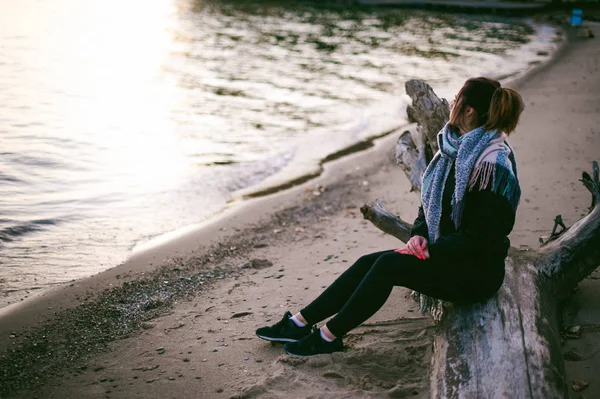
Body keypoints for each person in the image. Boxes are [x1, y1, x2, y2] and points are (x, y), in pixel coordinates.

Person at [255, 77, 523, 357]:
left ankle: (328, 336)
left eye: (457, 99)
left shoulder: (492, 164)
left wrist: (429, 250)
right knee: (367, 262)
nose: (452, 102)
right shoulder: (453, 148)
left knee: (387, 266)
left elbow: (481, 238)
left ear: (469, 111)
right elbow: (428, 205)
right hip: (450, 255)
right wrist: (419, 235)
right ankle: (299, 323)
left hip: (476, 272)